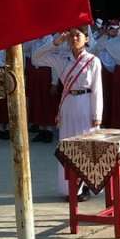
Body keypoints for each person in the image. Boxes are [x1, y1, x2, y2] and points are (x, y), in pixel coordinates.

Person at [32, 27, 103, 199]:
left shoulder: (93, 61)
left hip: (86, 105)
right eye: (71, 35)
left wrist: (97, 115)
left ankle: (86, 186)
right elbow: (36, 58)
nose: (73, 38)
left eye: (77, 35)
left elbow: (97, 89)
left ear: (86, 39)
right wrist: (55, 42)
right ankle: (71, 187)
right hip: (68, 105)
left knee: (86, 147)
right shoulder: (63, 60)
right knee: (68, 147)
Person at [25, 34, 58, 143]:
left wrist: (54, 82)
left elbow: (55, 64)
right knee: (37, 101)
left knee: (47, 102)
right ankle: (41, 129)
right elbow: (24, 48)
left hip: (46, 72)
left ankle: (48, 131)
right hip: (35, 72)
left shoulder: (51, 41)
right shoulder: (34, 40)